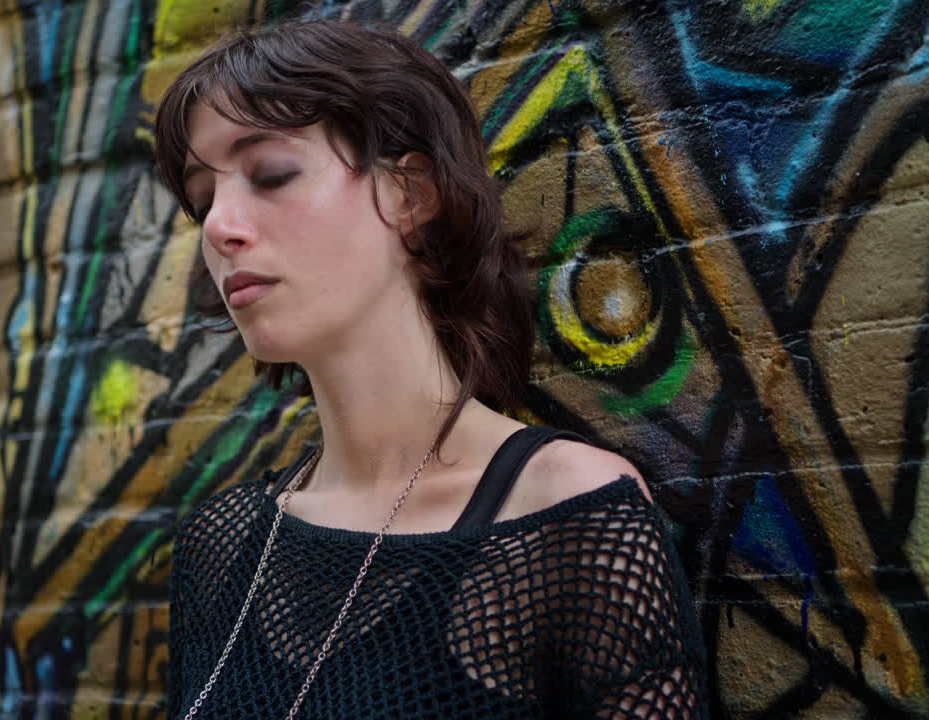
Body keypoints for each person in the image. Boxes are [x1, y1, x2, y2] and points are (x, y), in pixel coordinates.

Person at [154, 20, 707, 720]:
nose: (217, 226)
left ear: (409, 195)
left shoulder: (564, 513)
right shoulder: (223, 543)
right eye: (204, 199)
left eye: (271, 174)